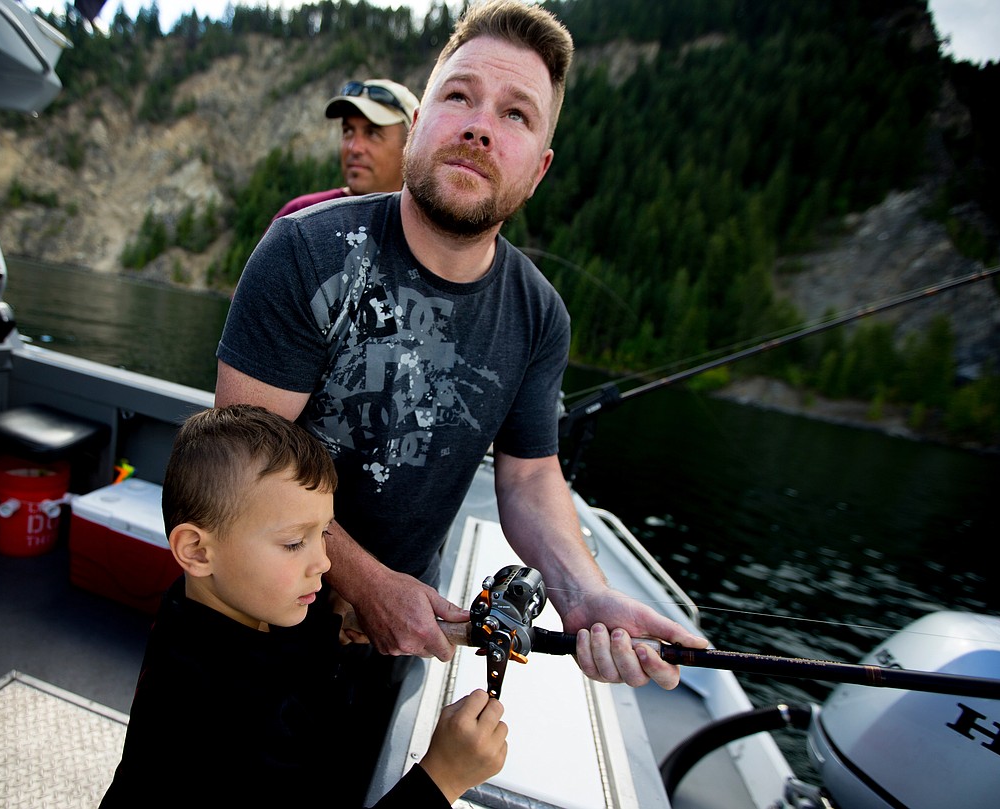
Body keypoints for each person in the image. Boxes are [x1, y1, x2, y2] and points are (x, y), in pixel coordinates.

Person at [216, 0, 707, 792]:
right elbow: (240, 462)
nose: (481, 126)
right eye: (460, 96)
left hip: (376, 657)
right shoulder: (306, 252)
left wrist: (584, 592)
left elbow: (528, 475)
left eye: (515, 114)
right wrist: (368, 583)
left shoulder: (538, 313)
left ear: (538, 166)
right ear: (420, 122)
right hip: (238, 636)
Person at [99, 405, 508, 808]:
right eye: (295, 542)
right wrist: (443, 778)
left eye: (323, 534)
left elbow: (264, 656)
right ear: (196, 551)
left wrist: (327, 630)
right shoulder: (228, 718)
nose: (325, 563)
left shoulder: (197, 607)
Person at [271, 78, 420, 220]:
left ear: (410, 146)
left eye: (372, 133)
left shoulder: (429, 232)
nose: (354, 148)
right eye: (348, 131)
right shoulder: (300, 216)